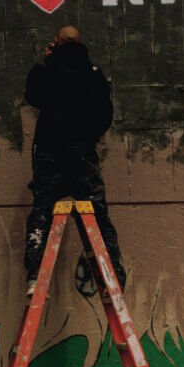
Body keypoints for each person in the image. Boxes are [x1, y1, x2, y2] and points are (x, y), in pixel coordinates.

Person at [23, 25, 125, 293]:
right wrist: (86, 137)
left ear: (57, 41)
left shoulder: (48, 71)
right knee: (97, 211)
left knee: (43, 210)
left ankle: (35, 276)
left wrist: (46, 60)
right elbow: (105, 113)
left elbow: (32, 95)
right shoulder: (93, 74)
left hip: (49, 151)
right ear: (80, 42)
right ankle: (112, 274)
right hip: (81, 154)